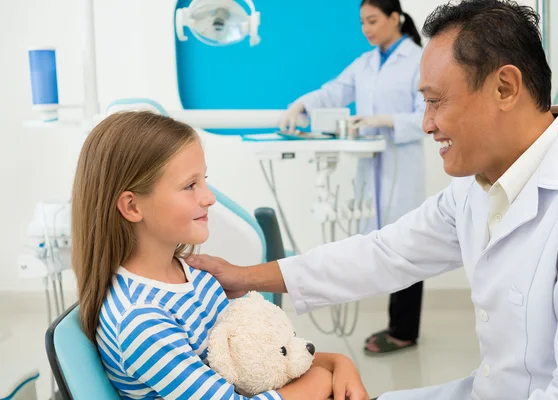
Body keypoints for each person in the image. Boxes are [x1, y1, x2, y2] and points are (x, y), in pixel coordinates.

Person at [187, 0, 558, 399]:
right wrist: (243, 275)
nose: (426, 123)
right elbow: (382, 254)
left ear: (505, 88)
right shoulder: (476, 190)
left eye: (435, 101)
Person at [70, 111, 370, 400]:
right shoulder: (141, 320)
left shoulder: (196, 277)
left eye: (204, 181)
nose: (209, 197)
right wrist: (319, 380)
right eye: (190, 185)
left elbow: (256, 362)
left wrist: (338, 363)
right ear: (133, 207)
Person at [279, 0, 428, 355]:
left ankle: (404, 330)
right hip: (371, 167)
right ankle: (397, 325)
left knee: (408, 247)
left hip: (400, 165)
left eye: (373, 20)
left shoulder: (418, 60)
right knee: (384, 245)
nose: (366, 28)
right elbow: (334, 91)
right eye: (362, 22)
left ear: (396, 18)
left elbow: (426, 113)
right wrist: (301, 104)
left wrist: (386, 121)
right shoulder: (365, 62)